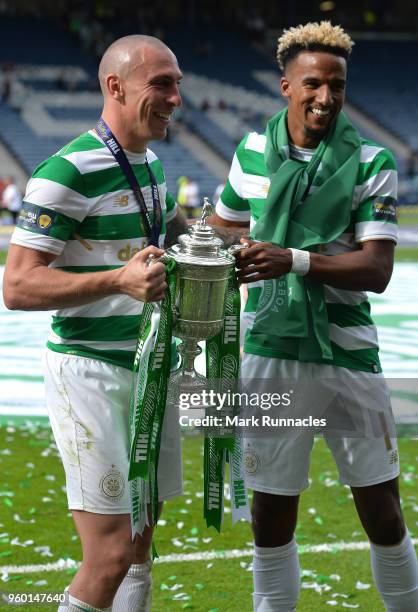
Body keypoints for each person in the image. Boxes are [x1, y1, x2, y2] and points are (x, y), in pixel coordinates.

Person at [208, 21, 418, 611]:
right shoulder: (250, 152)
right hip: (269, 351)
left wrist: (292, 259)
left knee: (381, 509)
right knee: (271, 514)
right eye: (314, 84)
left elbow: (376, 269)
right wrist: (219, 248)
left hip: (346, 354)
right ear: (285, 86)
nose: (326, 97)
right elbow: (223, 223)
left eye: (338, 86)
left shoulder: (373, 160)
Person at [3, 35, 188, 612]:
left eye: (178, 83)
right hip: (91, 376)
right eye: (162, 84)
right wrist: (116, 281)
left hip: (149, 370)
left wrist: (232, 251)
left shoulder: (153, 165)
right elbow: (17, 285)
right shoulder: (66, 170)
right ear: (116, 87)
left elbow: (176, 232)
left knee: (139, 543)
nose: (176, 97)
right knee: (109, 554)